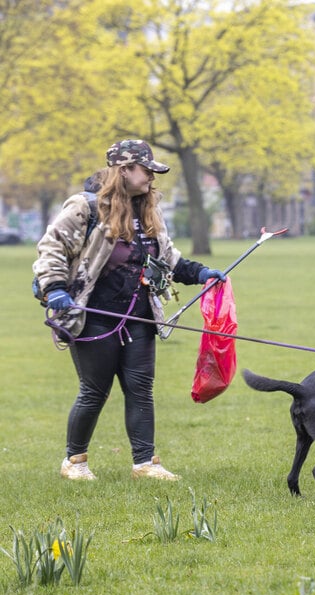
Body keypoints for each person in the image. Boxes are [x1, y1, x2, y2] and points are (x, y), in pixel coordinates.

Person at [33, 139, 226, 481]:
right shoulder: (86, 208)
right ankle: (74, 463)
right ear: (123, 170)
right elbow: (51, 248)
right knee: (94, 390)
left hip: (140, 316)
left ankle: (145, 464)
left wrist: (200, 273)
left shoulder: (148, 210)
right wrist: (56, 289)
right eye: (146, 170)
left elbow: (167, 258)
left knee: (141, 387)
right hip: (93, 317)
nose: (152, 177)